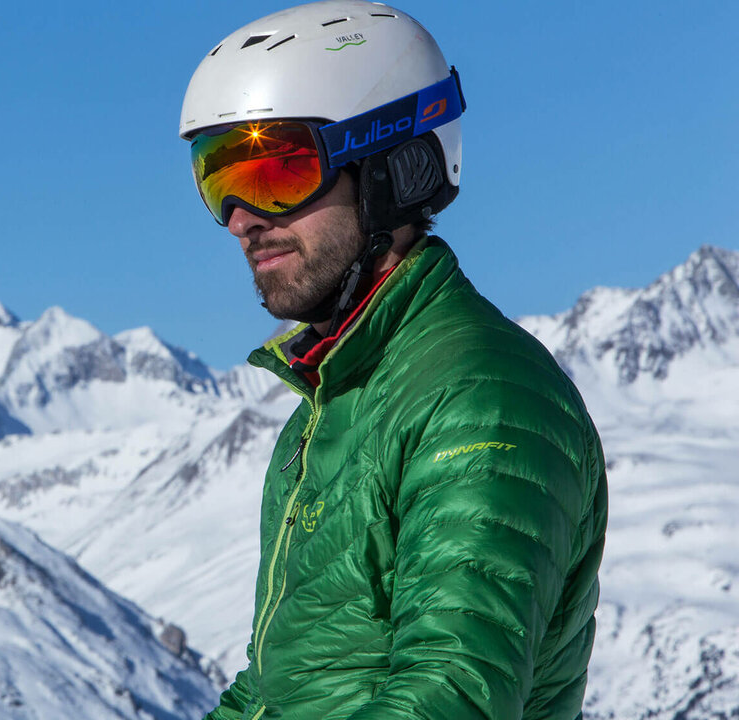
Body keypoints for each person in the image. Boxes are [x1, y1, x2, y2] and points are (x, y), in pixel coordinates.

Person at [178, 2, 608, 718]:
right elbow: (278, 688)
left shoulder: (481, 396)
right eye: (218, 179)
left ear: (392, 166)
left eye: (278, 172)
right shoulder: (333, 402)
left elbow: (453, 691)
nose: (242, 219)